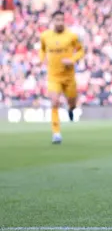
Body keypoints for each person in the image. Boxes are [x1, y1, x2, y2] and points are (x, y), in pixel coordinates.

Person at [39, 10, 85, 143]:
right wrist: (43, 59)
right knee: (54, 102)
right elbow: (42, 49)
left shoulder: (72, 36)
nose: (59, 22)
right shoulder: (45, 36)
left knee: (72, 103)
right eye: (57, 20)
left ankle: (71, 109)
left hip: (69, 77)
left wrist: (72, 59)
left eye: (61, 20)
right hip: (54, 76)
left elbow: (81, 50)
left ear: (64, 21)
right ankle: (56, 133)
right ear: (53, 21)